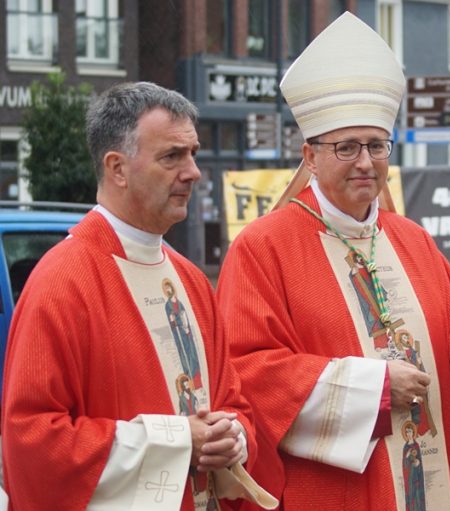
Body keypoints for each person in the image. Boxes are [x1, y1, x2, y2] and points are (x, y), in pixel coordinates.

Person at [216, 12, 450, 511]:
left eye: (376, 145)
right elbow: (251, 372)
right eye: (346, 147)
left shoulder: (413, 241)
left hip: (435, 474)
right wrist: (376, 387)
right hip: (342, 490)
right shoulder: (263, 248)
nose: (366, 162)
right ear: (310, 155)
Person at [0, 82, 279, 511]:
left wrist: (233, 438)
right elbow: (33, 444)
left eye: (193, 153)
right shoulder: (62, 282)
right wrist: (177, 439)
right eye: (172, 156)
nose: (193, 172)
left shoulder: (190, 280)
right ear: (117, 168)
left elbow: (233, 403)